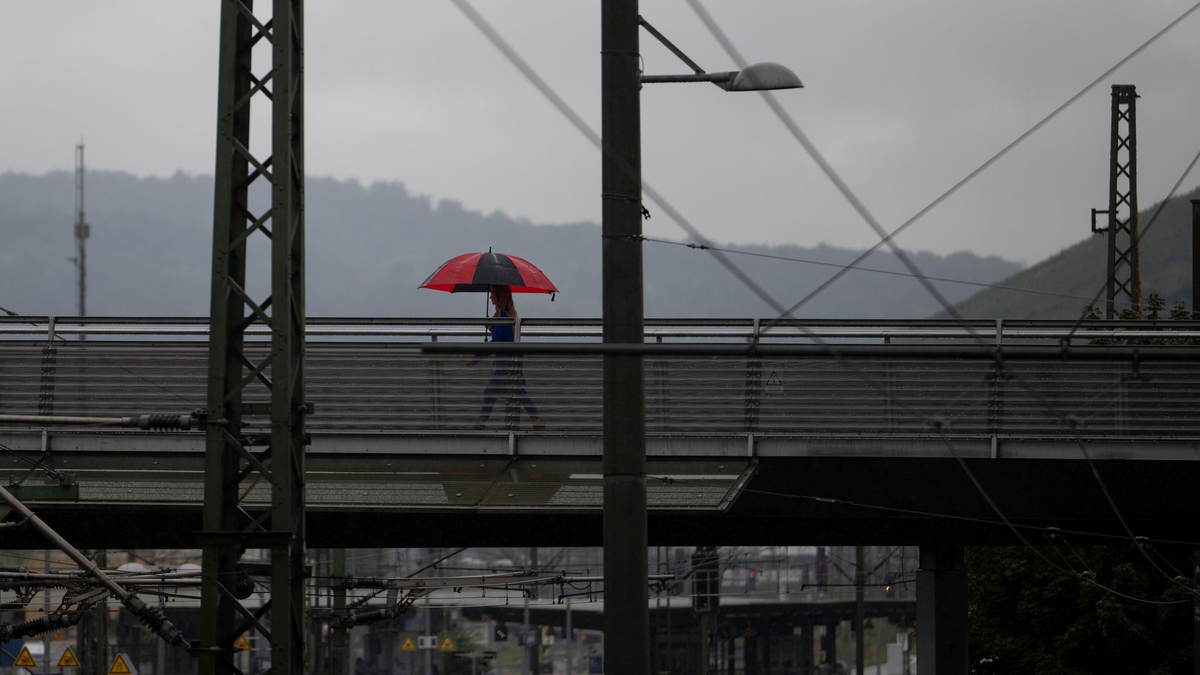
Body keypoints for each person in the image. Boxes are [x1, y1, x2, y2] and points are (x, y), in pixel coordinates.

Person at [467, 285, 545, 430]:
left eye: (492, 294)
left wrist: (475, 359)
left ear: (499, 296)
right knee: (519, 392)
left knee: (491, 392)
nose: (490, 297)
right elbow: (503, 336)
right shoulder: (505, 316)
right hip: (510, 362)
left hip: (504, 364)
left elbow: (495, 343)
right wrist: (490, 327)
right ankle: (537, 420)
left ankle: (480, 422)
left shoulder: (502, 317)